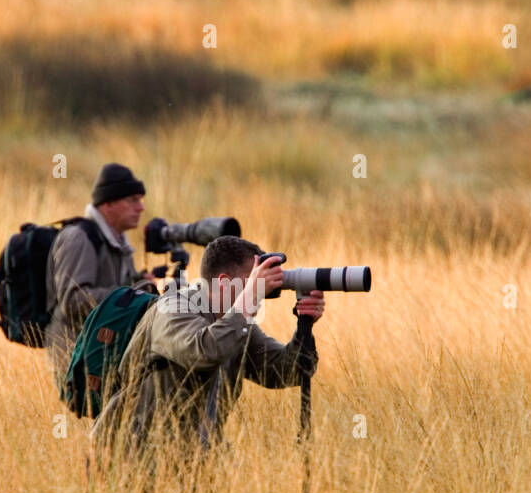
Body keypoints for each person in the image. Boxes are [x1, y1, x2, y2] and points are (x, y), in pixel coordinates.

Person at [91, 235, 324, 459]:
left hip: (194, 457)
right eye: (252, 280)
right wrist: (249, 299)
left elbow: (283, 372)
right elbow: (203, 352)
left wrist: (304, 325)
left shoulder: (237, 322)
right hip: (128, 455)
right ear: (224, 282)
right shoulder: (173, 308)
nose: (260, 290)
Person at [45, 163, 156, 380]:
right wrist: (129, 296)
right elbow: (73, 300)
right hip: (74, 360)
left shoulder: (117, 240)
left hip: (99, 354)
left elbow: (119, 287)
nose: (141, 207)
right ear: (108, 205)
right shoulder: (79, 238)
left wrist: (141, 285)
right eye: (133, 200)